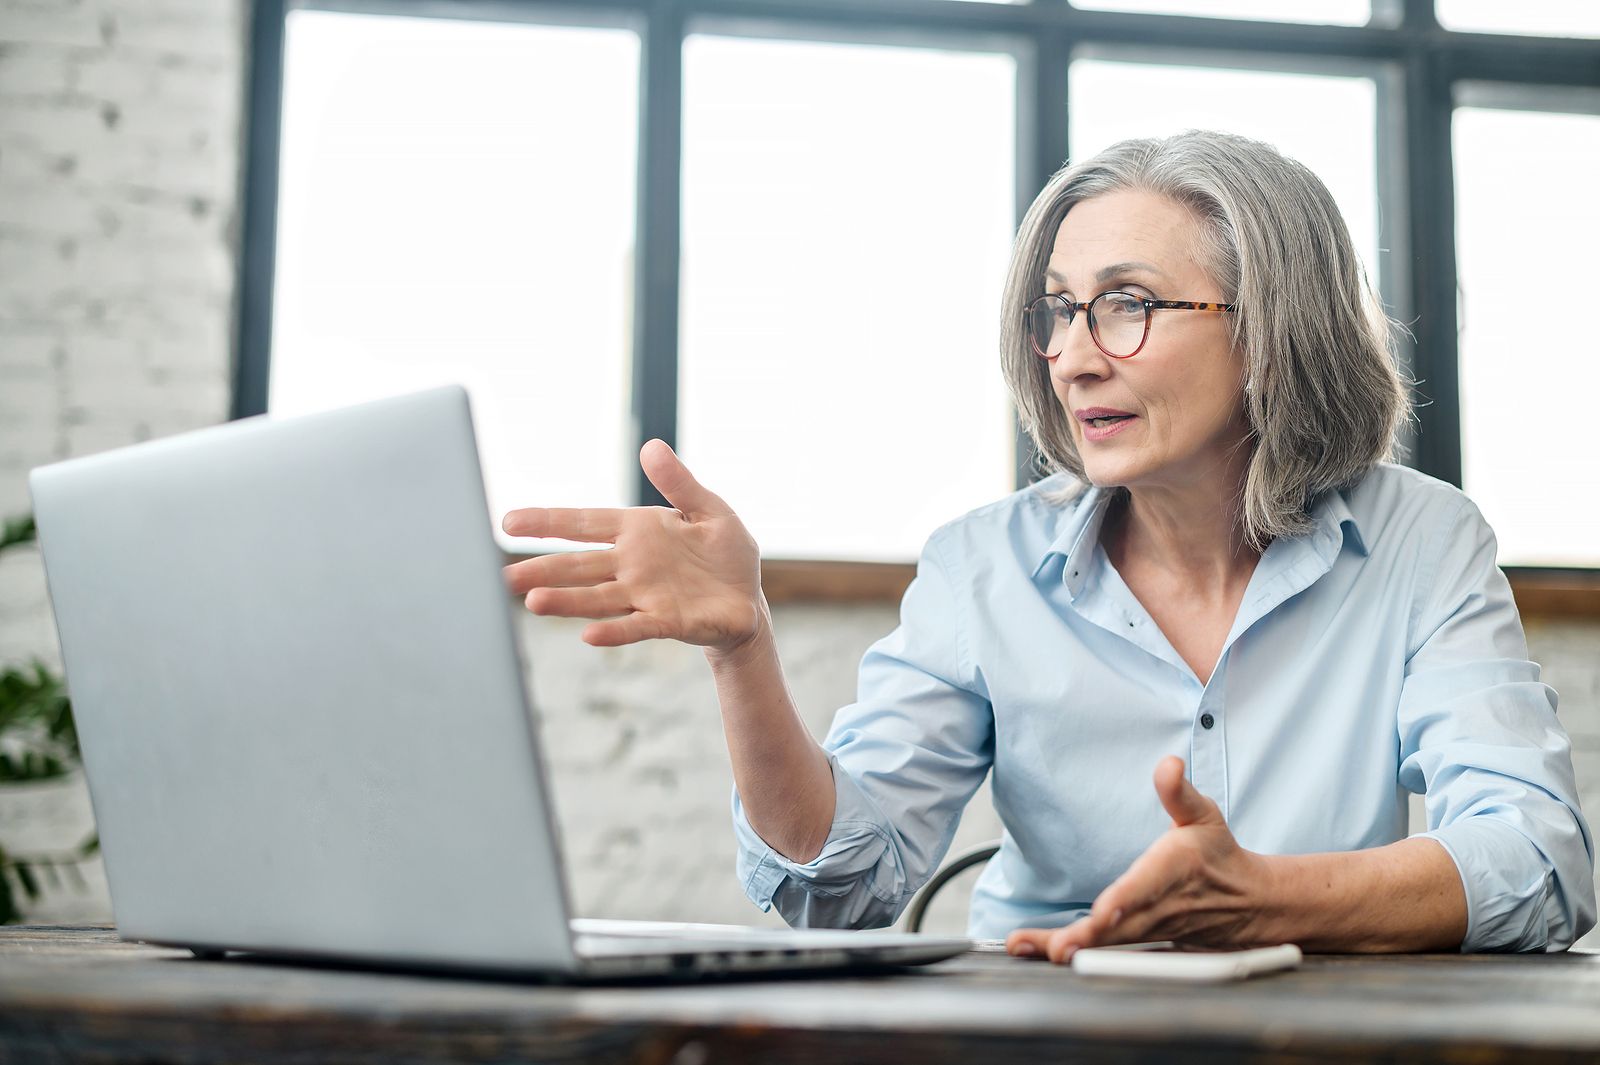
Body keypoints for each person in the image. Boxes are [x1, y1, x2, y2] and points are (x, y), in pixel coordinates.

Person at [501, 130, 1595, 961]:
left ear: (1269, 332)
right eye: (1058, 311)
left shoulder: (1422, 542)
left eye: (1124, 306)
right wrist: (743, 649)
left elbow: (1538, 861)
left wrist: (1266, 897)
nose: (1072, 357)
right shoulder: (980, 566)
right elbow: (836, 890)